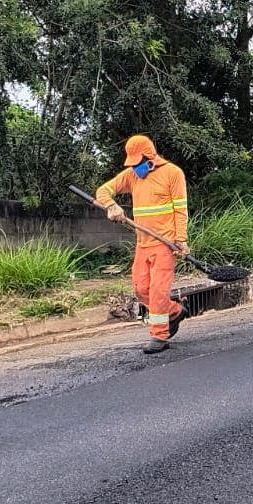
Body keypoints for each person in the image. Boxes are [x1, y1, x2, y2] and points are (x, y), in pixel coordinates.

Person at [95, 134, 191, 353]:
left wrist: (181, 240)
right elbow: (103, 191)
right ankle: (174, 312)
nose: (135, 167)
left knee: (158, 291)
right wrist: (112, 206)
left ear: (150, 157)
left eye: (138, 162)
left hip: (165, 244)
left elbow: (180, 210)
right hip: (143, 243)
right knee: (141, 289)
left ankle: (159, 336)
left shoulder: (173, 174)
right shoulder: (132, 176)